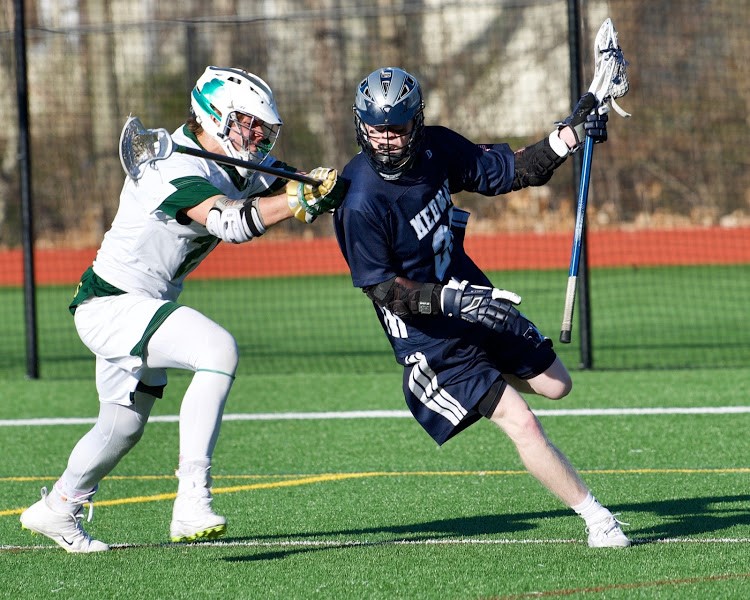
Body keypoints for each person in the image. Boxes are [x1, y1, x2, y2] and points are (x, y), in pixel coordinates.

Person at [19, 66, 345, 553]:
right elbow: (231, 223)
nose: (257, 136)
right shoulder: (170, 167)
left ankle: (58, 506)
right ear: (215, 116)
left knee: (122, 426)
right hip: (111, 304)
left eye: (263, 127)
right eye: (247, 123)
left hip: (146, 304)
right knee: (218, 349)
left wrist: (320, 191)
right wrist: (298, 199)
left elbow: (281, 190)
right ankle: (191, 499)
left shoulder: (236, 158)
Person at [333, 67, 629, 548]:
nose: (387, 141)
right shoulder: (359, 199)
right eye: (376, 129)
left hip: (469, 290)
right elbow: (382, 290)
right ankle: (598, 520)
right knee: (522, 421)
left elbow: (509, 170)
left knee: (556, 385)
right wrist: (455, 303)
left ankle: (487, 382)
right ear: (360, 124)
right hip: (430, 332)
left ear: (417, 123)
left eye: (398, 128)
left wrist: (571, 134)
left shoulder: (435, 149)